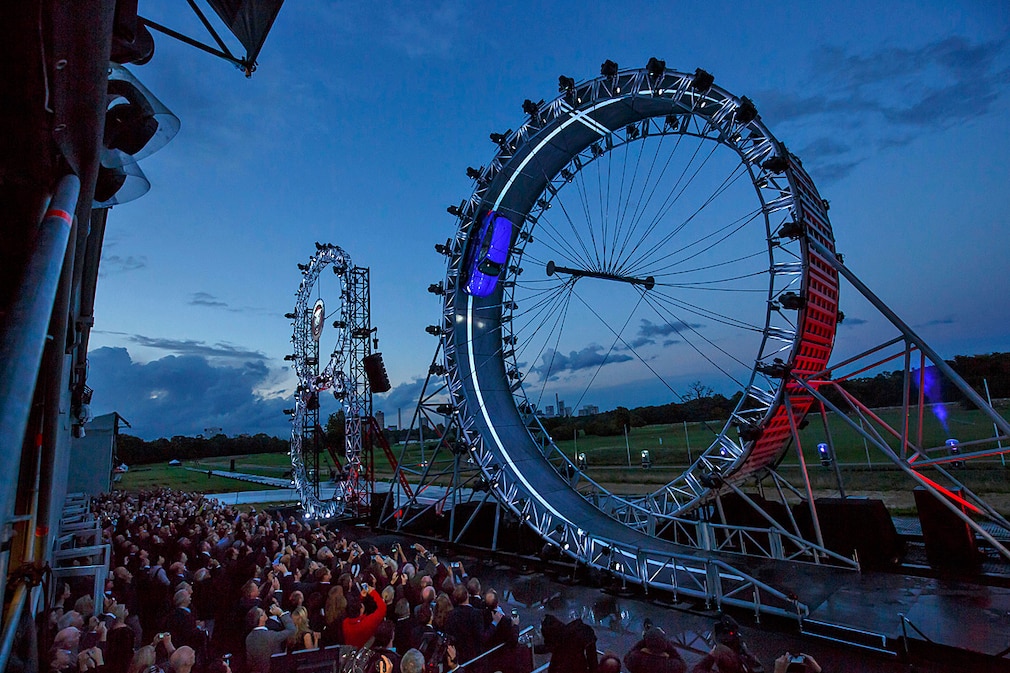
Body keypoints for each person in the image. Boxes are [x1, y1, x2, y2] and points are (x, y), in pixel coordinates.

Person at [244, 605, 295, 673]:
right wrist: (281, 613)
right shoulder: (271, 636)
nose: (265, 612)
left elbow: (250, 662)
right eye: (263, 612)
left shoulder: (249, 638)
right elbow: (291, 630)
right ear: (261, 618)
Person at [341, 584, 387, 648]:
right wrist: (372, 592)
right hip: (365, 651)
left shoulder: (345, 623)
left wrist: (361, 597)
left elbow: (354, 608)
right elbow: (382, 609)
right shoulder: (367, 622)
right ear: (361, 610)